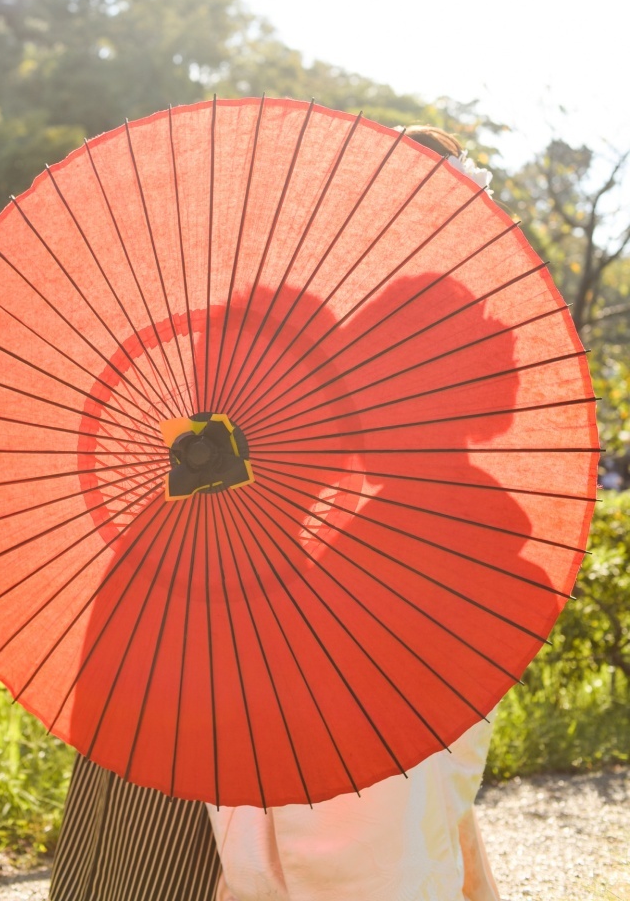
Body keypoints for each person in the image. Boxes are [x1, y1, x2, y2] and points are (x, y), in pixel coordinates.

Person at [50, 124, 503, 901]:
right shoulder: (298, 331)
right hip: (212, 629)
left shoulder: (370, 341)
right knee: (168, 846)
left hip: (259, 635)